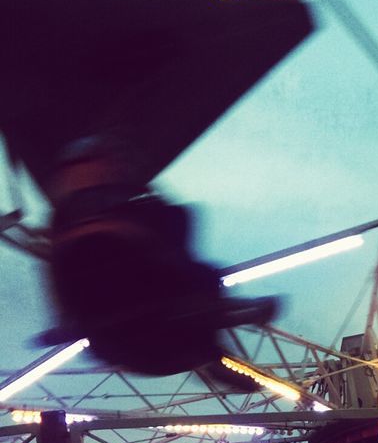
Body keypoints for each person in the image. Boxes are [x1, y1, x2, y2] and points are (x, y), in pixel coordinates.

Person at [44, 133, 278, 381]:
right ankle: (208, 347)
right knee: (186, 255)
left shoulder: (134, 203)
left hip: (149, 304)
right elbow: (58, 264)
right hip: (110, 311)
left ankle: (209, 352)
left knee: (189, 244)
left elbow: (157, 239)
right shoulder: (70, 217)